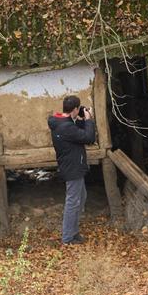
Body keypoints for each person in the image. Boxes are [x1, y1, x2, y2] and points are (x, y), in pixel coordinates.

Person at [48, 94, 98, 244]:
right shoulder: (66, 127)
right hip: (72, 167)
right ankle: (68, 238)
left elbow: (76, 131)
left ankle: (73, 232)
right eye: (79, 109)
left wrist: (81, 120)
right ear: (75, 109)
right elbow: (89, 138)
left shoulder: (59, 122)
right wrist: (89, 120)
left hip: (72, 165)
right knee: (73, 202)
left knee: (80, 198)